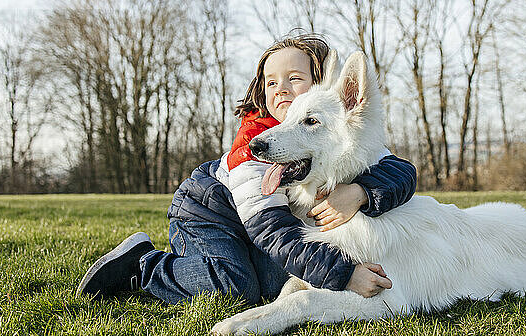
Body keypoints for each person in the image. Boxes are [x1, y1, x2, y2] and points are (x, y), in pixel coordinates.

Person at [76, 32, 417, 305]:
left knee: (276, 283)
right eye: (271, 82)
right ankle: (143, 265)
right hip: (209, 214)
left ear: (322, 85)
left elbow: (401, 171)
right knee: (234, 288)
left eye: (293, 78)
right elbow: (271, 230)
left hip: (259, 227)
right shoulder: (255, 146)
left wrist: (360, 192)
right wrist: (344, 275)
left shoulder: (337, 129)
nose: (280, 88)